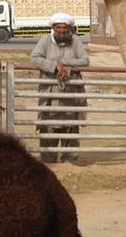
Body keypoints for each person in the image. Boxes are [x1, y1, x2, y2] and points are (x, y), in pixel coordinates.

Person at [30, 12, 88, 163]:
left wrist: (64, 63)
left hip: (71, 93)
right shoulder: (45, 40)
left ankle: (69, 160)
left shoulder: (75, 41)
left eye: (65, 28)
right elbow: (35, 58)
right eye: (59, 28)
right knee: (48, 125)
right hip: (50, 93)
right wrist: (54, 65)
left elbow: (85, 60)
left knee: (71, 125)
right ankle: (48, 159)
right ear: (53, 28)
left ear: (69, 29)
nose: (62, 31)